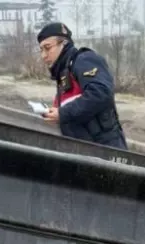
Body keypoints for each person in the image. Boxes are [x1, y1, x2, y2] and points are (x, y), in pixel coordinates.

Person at [37, 22, 127, 150]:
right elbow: (73, 107)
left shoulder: (84, 60)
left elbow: (100, 93)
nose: (44, 56)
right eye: (41, 50)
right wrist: (55, 114)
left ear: (64, 43)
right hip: (83, 149)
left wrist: (62, 113)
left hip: (105, 149)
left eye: (47, 48)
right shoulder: (64, 73)